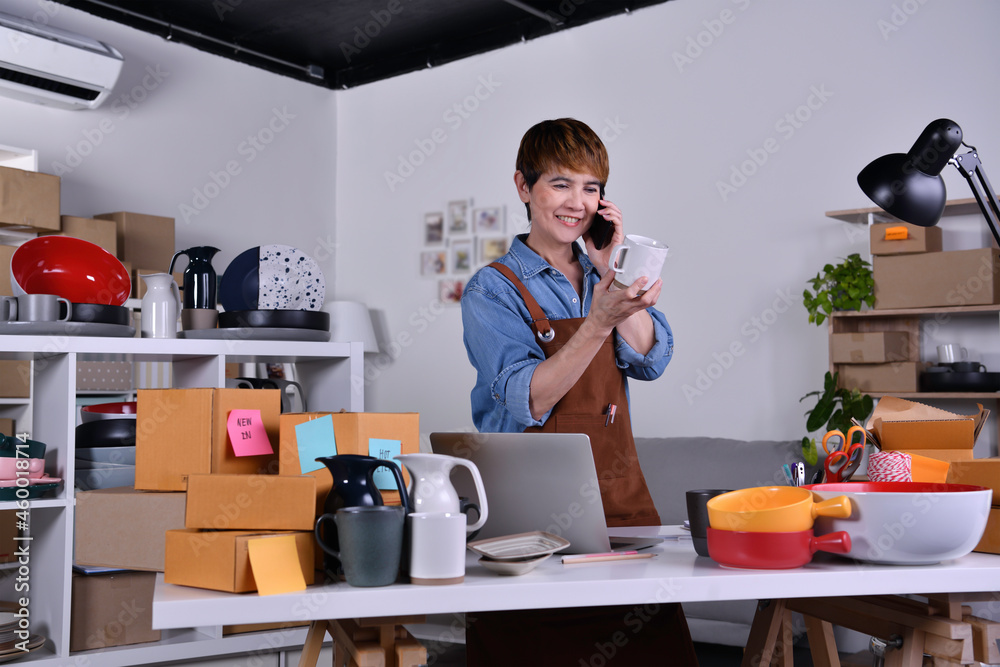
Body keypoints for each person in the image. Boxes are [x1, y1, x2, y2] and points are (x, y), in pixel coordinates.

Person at [460, 118, 697, 666]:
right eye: (561, 184)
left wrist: (612, 275)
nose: (577, 203)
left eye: (591, 188)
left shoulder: (603, 276)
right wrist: (596, 323)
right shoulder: (492, 289)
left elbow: (652, 358)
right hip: (527, 512)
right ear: (524, 187)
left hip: (618, 502)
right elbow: (530, 399)